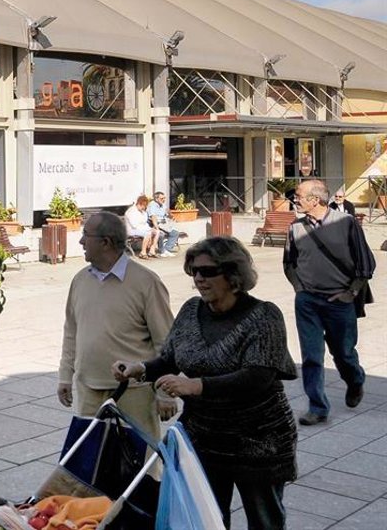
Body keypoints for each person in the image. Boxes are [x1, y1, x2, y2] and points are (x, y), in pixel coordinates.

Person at [114, 237, 297, 530]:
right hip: (205, 437)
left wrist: (198, 386)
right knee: (206, 519)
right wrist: (140, 369)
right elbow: (170, 358)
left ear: (233, 275)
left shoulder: (264, 316)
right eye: (194, 271)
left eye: (208, 271)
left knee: (265, 521)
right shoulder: (191, 311)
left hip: (258, 440)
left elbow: (258, 377)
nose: (199, 278)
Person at [58, 209, 172, 444]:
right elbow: (71, 332)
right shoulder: (80, 280)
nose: (81, 242)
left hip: (134, 393)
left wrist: (165, 392)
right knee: (90, 461)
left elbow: (166, 341)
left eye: (86, 235)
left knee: (140, 461)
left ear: (106, 242)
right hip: (89, 390)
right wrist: (65, 376)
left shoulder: (146, 282)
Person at [284, 176, 376, 426]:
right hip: (307, 301)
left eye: (299, 196)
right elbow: (289, 263)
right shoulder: (295, 227)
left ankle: (355, 380)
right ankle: (317, 407)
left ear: (315, 200)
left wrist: (351, 293)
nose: (295, 200)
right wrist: (299, 288)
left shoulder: (346, 223)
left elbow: (366, 263)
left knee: (343, 353)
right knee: (312, 356)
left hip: (339, 300)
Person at [146, 191, 182, 255]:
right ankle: (162, 251)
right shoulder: (152, 205)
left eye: (164, 198)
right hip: (154, 224)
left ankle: (166, 249)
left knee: (175, 233)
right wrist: (157, 228)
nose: (164, 200)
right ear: (156, 199)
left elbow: (167, 212)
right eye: (162, 198)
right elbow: (153, 217)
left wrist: (171, 215)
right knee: (161, 234)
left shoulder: (162, 205)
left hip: (163, 224)